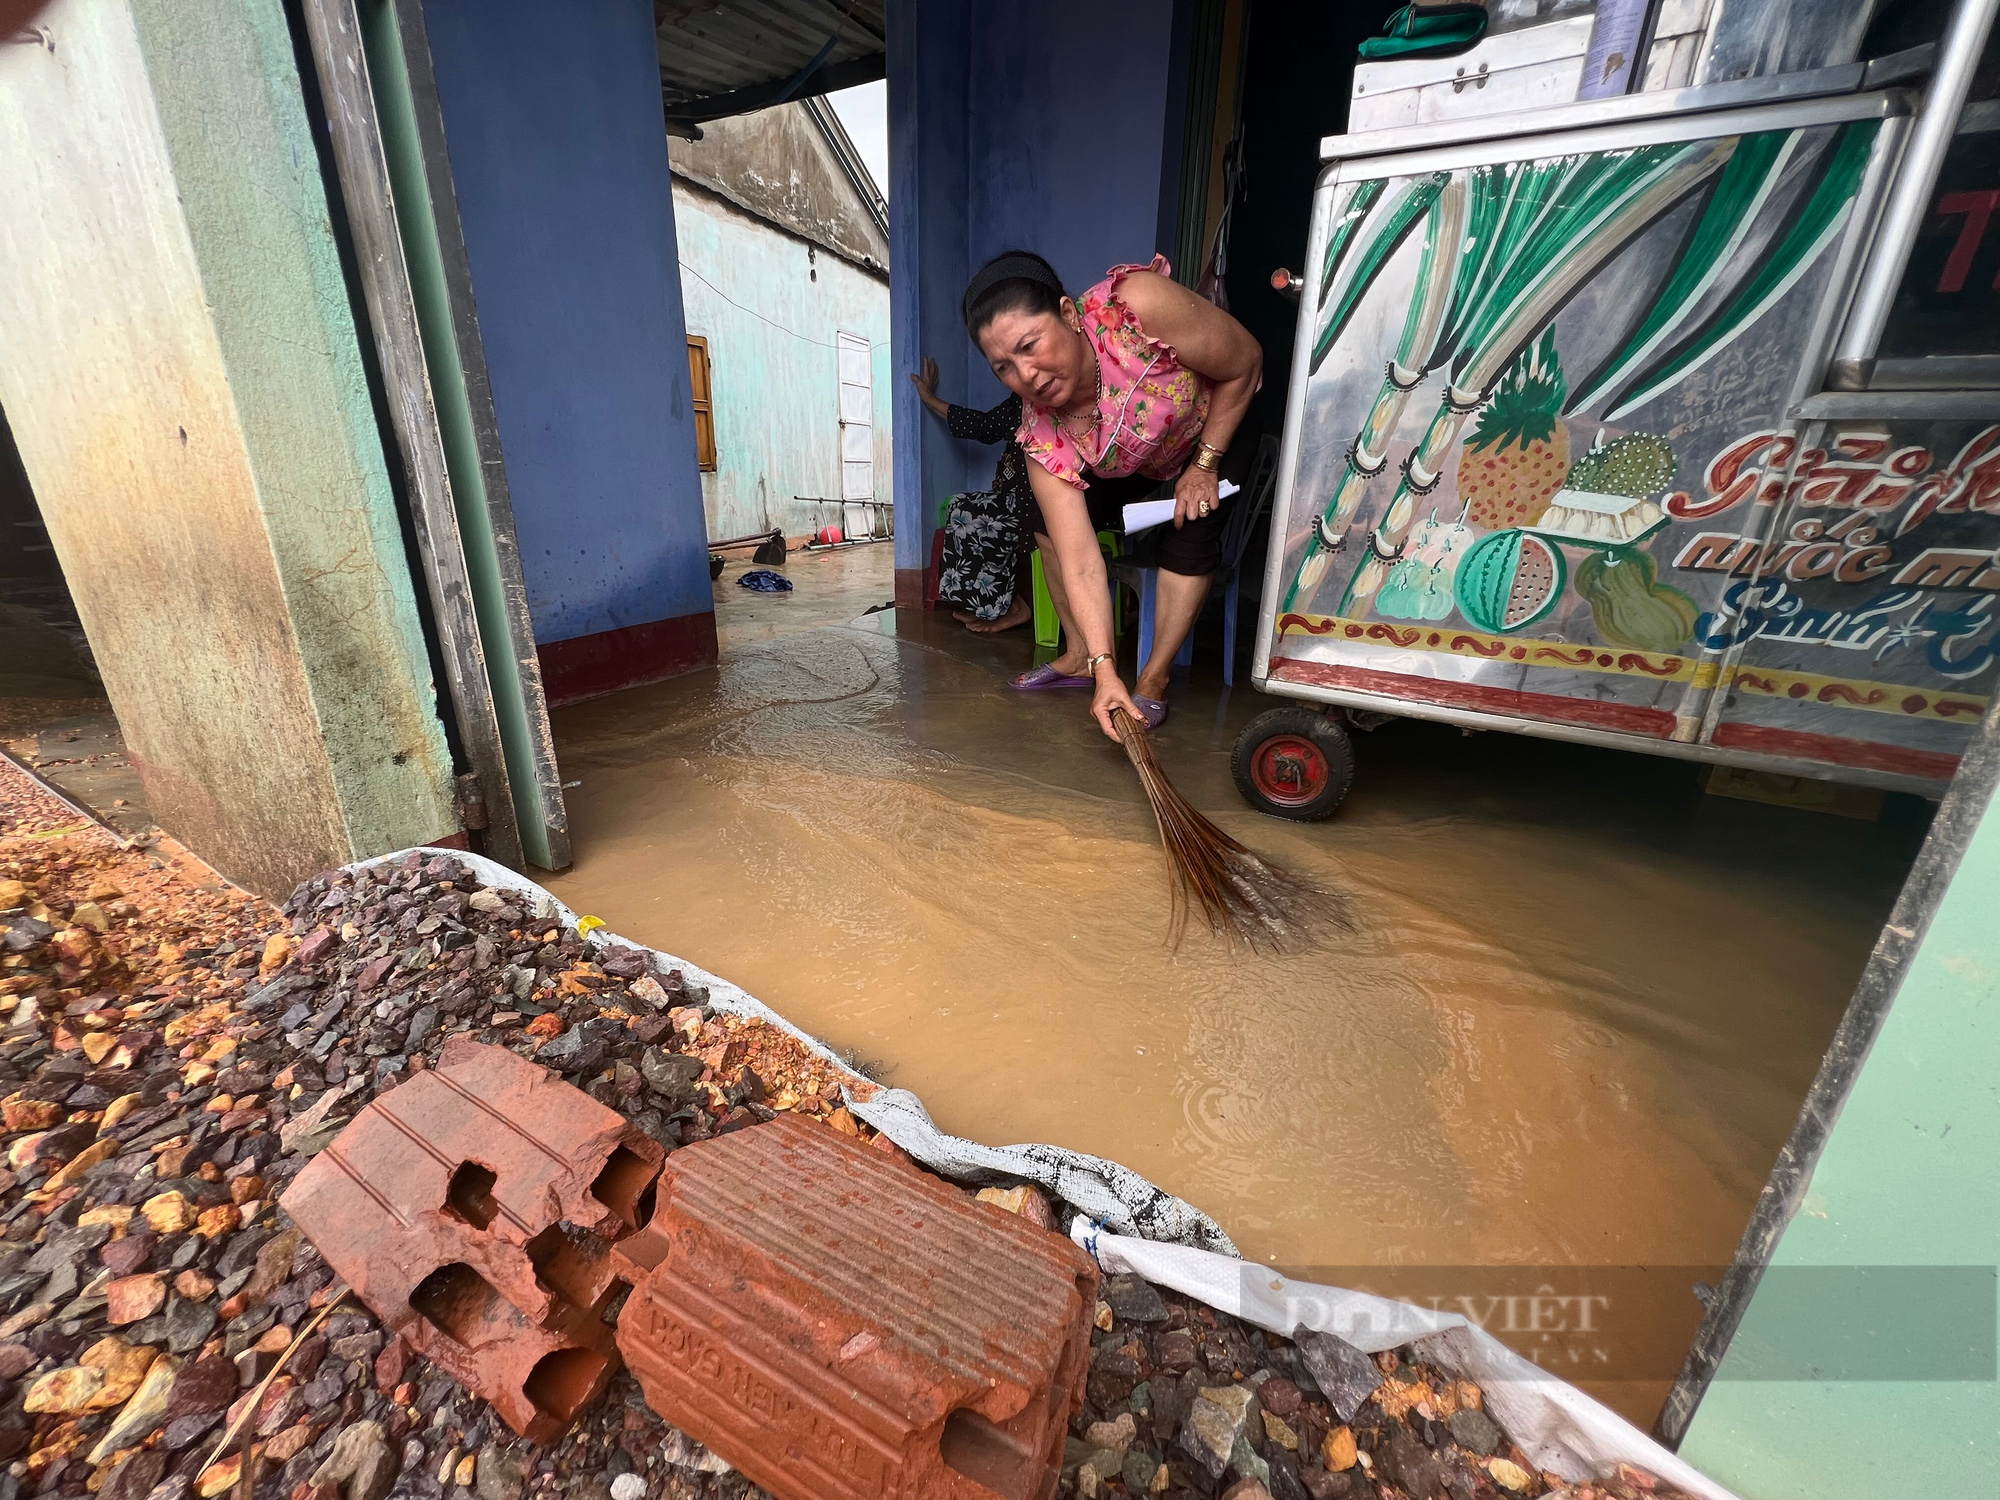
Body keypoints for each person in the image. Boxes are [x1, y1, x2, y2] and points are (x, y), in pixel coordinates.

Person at [962, 250, 1261, 738]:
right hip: (1135, 452)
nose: (1027, 375)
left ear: (1068, 314)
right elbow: (1080, 560)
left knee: (1190, 528)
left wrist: (1205, 463)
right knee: (1049, 524)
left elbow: (1245, 362)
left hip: (1216, 419)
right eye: (1004, 367)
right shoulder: (1041, 435)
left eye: (1030, 345)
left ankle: (1153, 679)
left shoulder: (1137, 310)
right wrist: (1106, 671)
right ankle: (1084, 657)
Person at [910, 358, 1033, 633]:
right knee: (958, 505)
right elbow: (984, 425)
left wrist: (929, 398)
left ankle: (1014, 607)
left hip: (1034, 499)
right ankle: (984, 605)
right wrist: (929, 398)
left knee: (975, 516)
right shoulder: (1021, 402)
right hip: (1014, 495)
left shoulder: (1049, 396)